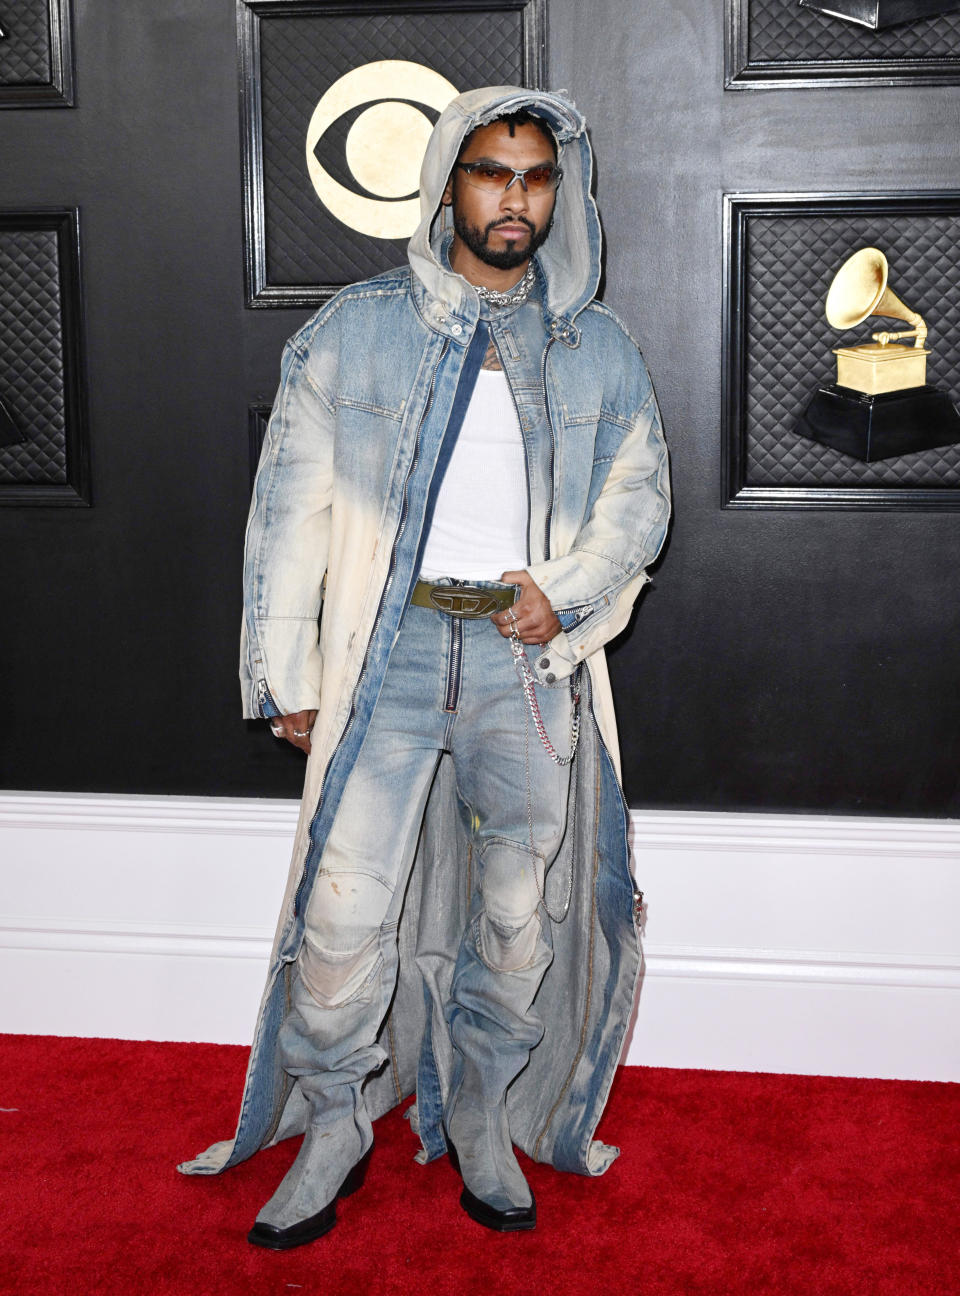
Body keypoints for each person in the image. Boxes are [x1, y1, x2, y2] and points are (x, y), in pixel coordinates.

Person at [179, 86, 670, 1245]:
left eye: (538, 176)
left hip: (523, 664)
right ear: (450, 179)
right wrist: (288, 673)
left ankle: (489, 1112)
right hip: (385, 657)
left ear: (562, 192)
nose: (516, 197)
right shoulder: (356, 330)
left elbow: (638, 498)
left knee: (520, 908)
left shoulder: (595, 346)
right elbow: (287, 515)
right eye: (494, 172)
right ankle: (339, 1118)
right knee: (344, 915)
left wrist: (568, 590)